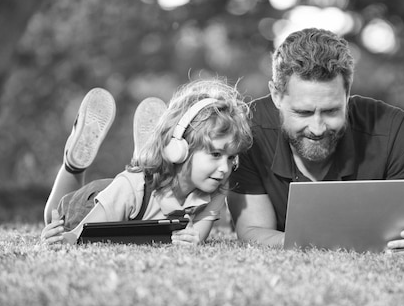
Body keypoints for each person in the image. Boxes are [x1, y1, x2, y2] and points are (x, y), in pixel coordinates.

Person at [227, 28, 404, 254]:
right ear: (276, 96)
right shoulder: (249, 131)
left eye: (331, 111)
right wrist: (327, 246)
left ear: (347, 94)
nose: (317, 128)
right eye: (303, 112)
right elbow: (253, 230)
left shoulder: (394, 128)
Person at [41, 79, 252, 246]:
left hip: (136, 200)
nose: (225, 168)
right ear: (178, 149)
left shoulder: (217, 184)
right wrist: (59, 239)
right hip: (100, 200)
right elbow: (76, 237)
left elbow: (197, 235)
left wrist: (192, 240)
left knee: (137, 189)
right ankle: (73, 165)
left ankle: (143, 159)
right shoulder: (130, 187)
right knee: (57, 215)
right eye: (215, 154)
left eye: (231, 157)